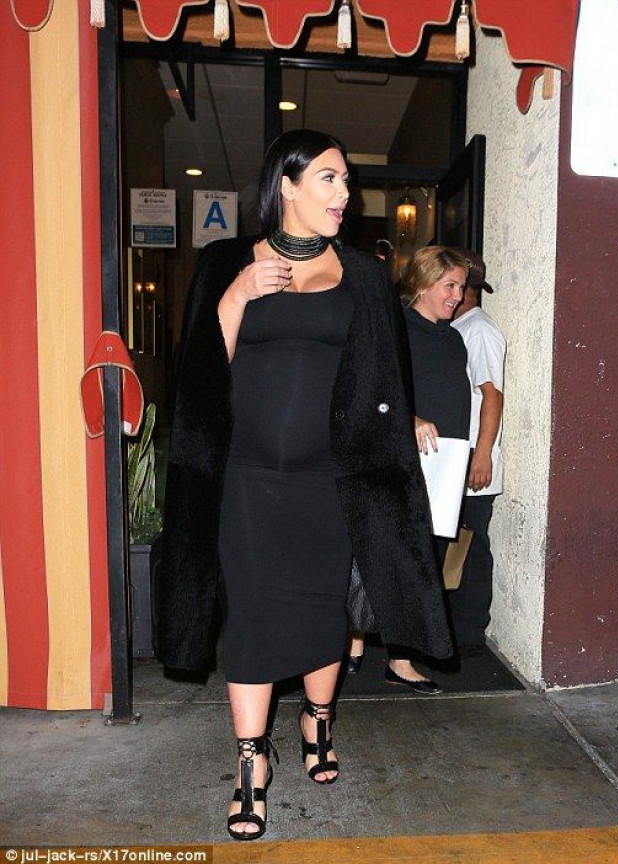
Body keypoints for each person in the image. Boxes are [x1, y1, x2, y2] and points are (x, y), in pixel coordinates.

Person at [156, 130, 451, 841]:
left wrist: (404, 419)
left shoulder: (364, 276)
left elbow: (383, 373)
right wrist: (236, 296)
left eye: (346, 180)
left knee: (325, 611)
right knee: (252, 613)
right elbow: (198, 377)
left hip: (330, 479)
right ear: (286, 185)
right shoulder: (226, 262)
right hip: (246, 480)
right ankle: (251, 762)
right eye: (329, 179)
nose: (345, 193)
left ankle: (318, 721)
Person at [348, 246, 471, 693]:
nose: (458, 295)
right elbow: (369, 389)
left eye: (461, 287)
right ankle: (354, 640)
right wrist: (410, 419)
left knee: (422, 562)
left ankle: (400, 660)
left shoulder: (453, 339)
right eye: (449, 285)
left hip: (441, 468)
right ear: (422, 283)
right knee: (377, 551)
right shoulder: (394, 327)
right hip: (394, 460)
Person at [450, 251, 506, 657]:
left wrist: (482, 454)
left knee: (472, 548)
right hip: (457, 459)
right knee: (458, 545)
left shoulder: (480, 330)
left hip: (473, 460)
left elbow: (492, 395)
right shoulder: (458, 327)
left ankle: (469, 635)